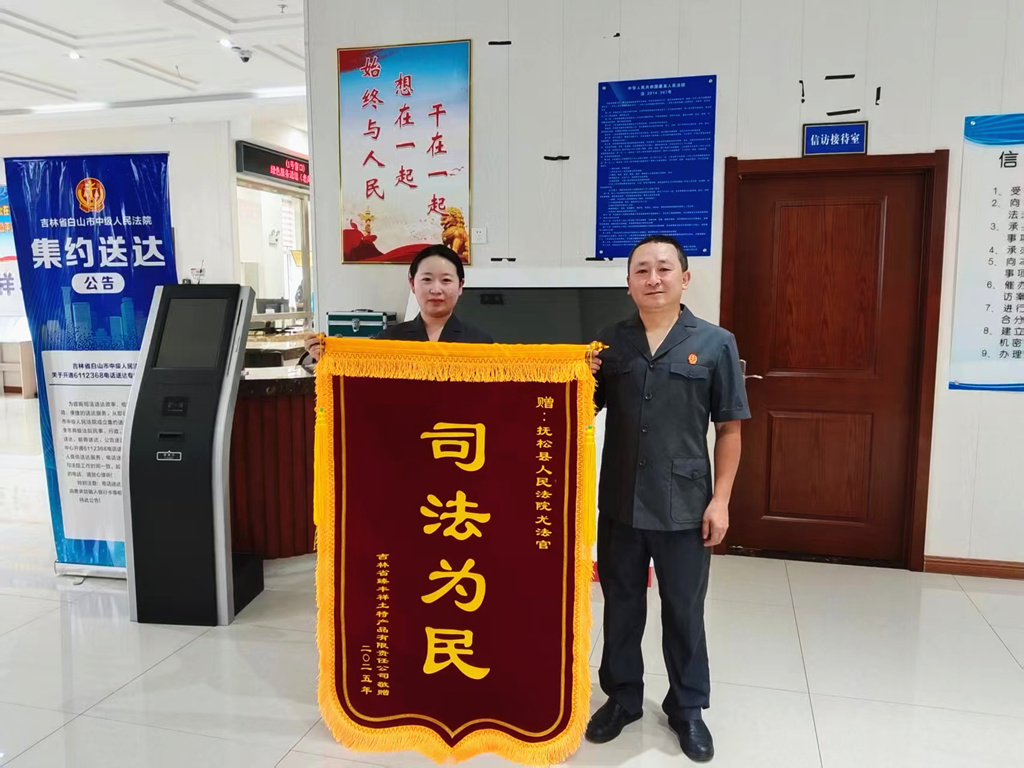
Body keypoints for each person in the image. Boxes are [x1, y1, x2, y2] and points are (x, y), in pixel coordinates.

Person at [586, 235, 749, 763]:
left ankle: (687, 708)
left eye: (663, 268)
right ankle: (623, 699)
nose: (652, 279)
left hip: (686, 506)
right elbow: (577, 409)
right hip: (620, 502)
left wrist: (721, 501)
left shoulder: (716, 343)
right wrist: (573, 375)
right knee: (621, 606)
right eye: (641, 270)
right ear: (628, 282)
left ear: (685, 277)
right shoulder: (608, 344)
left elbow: (730, 428)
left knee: (683, 609)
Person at [302, 244, 491, 363]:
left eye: (446, 280)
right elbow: (358, 380)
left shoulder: (482, 343)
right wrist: (326, 357)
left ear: (460, 286)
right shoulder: (388, 340)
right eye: (427, 279)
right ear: (412, 284)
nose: (436, 289)